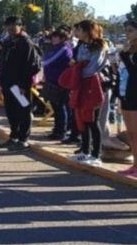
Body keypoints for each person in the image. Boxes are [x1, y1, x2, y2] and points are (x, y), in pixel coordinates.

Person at [0, 16, 41, 151]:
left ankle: (23, 139)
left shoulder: (26, 43)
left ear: (20, 26)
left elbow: (31, 66)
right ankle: (13, 136)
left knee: (23, 111)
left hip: (20, 85)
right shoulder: (8, 42)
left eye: (13, 25)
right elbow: (3, 62)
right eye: (7, 25)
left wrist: (23, 85)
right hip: (7, 83)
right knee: (11, 111)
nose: (10, 28)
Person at [67, 20, 108, 166]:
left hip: (94, 84)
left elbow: (93, 67)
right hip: (81, 85)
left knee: (92, 120)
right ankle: (85, 151)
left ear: (87, 31)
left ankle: (96, 154)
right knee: (81, 118)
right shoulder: (81, 45)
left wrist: (77, 69)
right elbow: (76, 62)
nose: (77, 33)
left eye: (79, 30)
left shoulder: (98, 45)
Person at [42, 30, 74, 141]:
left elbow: (48, 62)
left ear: (62, 38)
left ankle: (61, 131)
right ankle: (57, 129)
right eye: (52, 37)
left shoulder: (65, 49)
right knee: (56, 108)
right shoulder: (54, 48)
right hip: (52, 81)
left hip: (60, 82)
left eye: (55, 37)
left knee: (61, 107)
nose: (53, 39)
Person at [117, 20, 137, 177]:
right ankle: (134, 165)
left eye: (130, 30)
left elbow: (134, 72)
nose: (127, 34)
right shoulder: (129, 50)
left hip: (134, 94)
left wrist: (124, 56)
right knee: (131, 134)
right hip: (125, 93)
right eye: (126, 31)